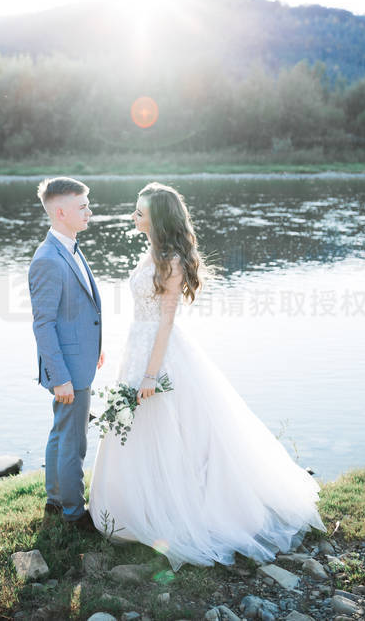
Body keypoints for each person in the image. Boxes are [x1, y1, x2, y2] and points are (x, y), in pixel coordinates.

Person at [88, 182, 324, 569]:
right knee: (135, 429)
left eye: (139, 211)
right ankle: (131, 506)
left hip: (159, 355)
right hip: (136, 346)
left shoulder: (172, 261)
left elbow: (165, 321)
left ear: (157, 217)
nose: (134, 216)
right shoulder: (150, 252)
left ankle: (178, 511)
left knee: (174, 430)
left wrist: (150, 376)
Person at [28, 177, 105, 532]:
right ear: (61, 212)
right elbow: (43, 325)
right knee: (73, 440)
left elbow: (78, 309)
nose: (89, 212)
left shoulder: (68, 246)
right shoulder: (48, 260)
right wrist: (60, 377)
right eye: (82, 206)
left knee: (62, 432)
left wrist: (97, 347)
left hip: (79, 360)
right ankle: (75, 514)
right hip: (67, 370)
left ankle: (55, 498)